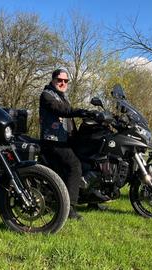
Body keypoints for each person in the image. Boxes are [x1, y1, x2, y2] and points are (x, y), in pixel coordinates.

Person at [39, 69, 89, 220]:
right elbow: (61, 110)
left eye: (66, 81)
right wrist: (81, 112)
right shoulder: (47, 95)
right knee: (74, 166)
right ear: (53, 80)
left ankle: (94, 200)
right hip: (52, 141)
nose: (63, 83)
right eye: (59, 80)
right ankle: (69, 208)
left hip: (64, 140)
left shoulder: (62, 96)